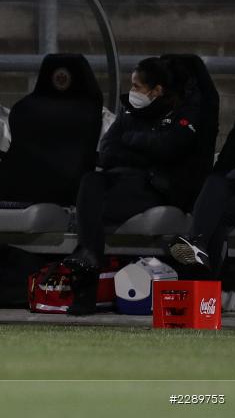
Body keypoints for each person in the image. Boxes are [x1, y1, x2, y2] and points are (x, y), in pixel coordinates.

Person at [64, 57, 200, 314]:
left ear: (156, 91)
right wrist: (141, 147)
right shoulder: (128, 112)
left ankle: (86, 278)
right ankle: (91, 256)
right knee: (89, 180)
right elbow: (106, 151)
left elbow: (168, 150)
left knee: (91, 208)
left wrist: (131, 143)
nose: (133, 91)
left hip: (151, 186)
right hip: (118, 179)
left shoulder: (179, 115)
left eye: (137, 86)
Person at [169, 107, 235, 275]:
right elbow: (225, 161)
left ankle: (202, 264)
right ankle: (199, 250)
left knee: (214, 208)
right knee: (215, 193)